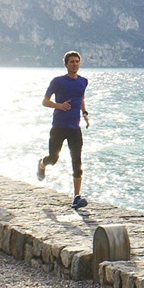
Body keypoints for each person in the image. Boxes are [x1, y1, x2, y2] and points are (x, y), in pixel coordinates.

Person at [40, 50, 91, 210]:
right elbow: (45, 101)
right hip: (58, 127)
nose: (74, 64)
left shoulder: (83, 81)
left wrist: (85, 113)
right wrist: (59, 106)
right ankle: (42, 164)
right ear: (65, 64)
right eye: (71, 62)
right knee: (53, 159)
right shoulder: (57, 81)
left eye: (77, 61)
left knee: (77, 161)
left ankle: (76, 197)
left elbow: (81, 98)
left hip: (74, 128)